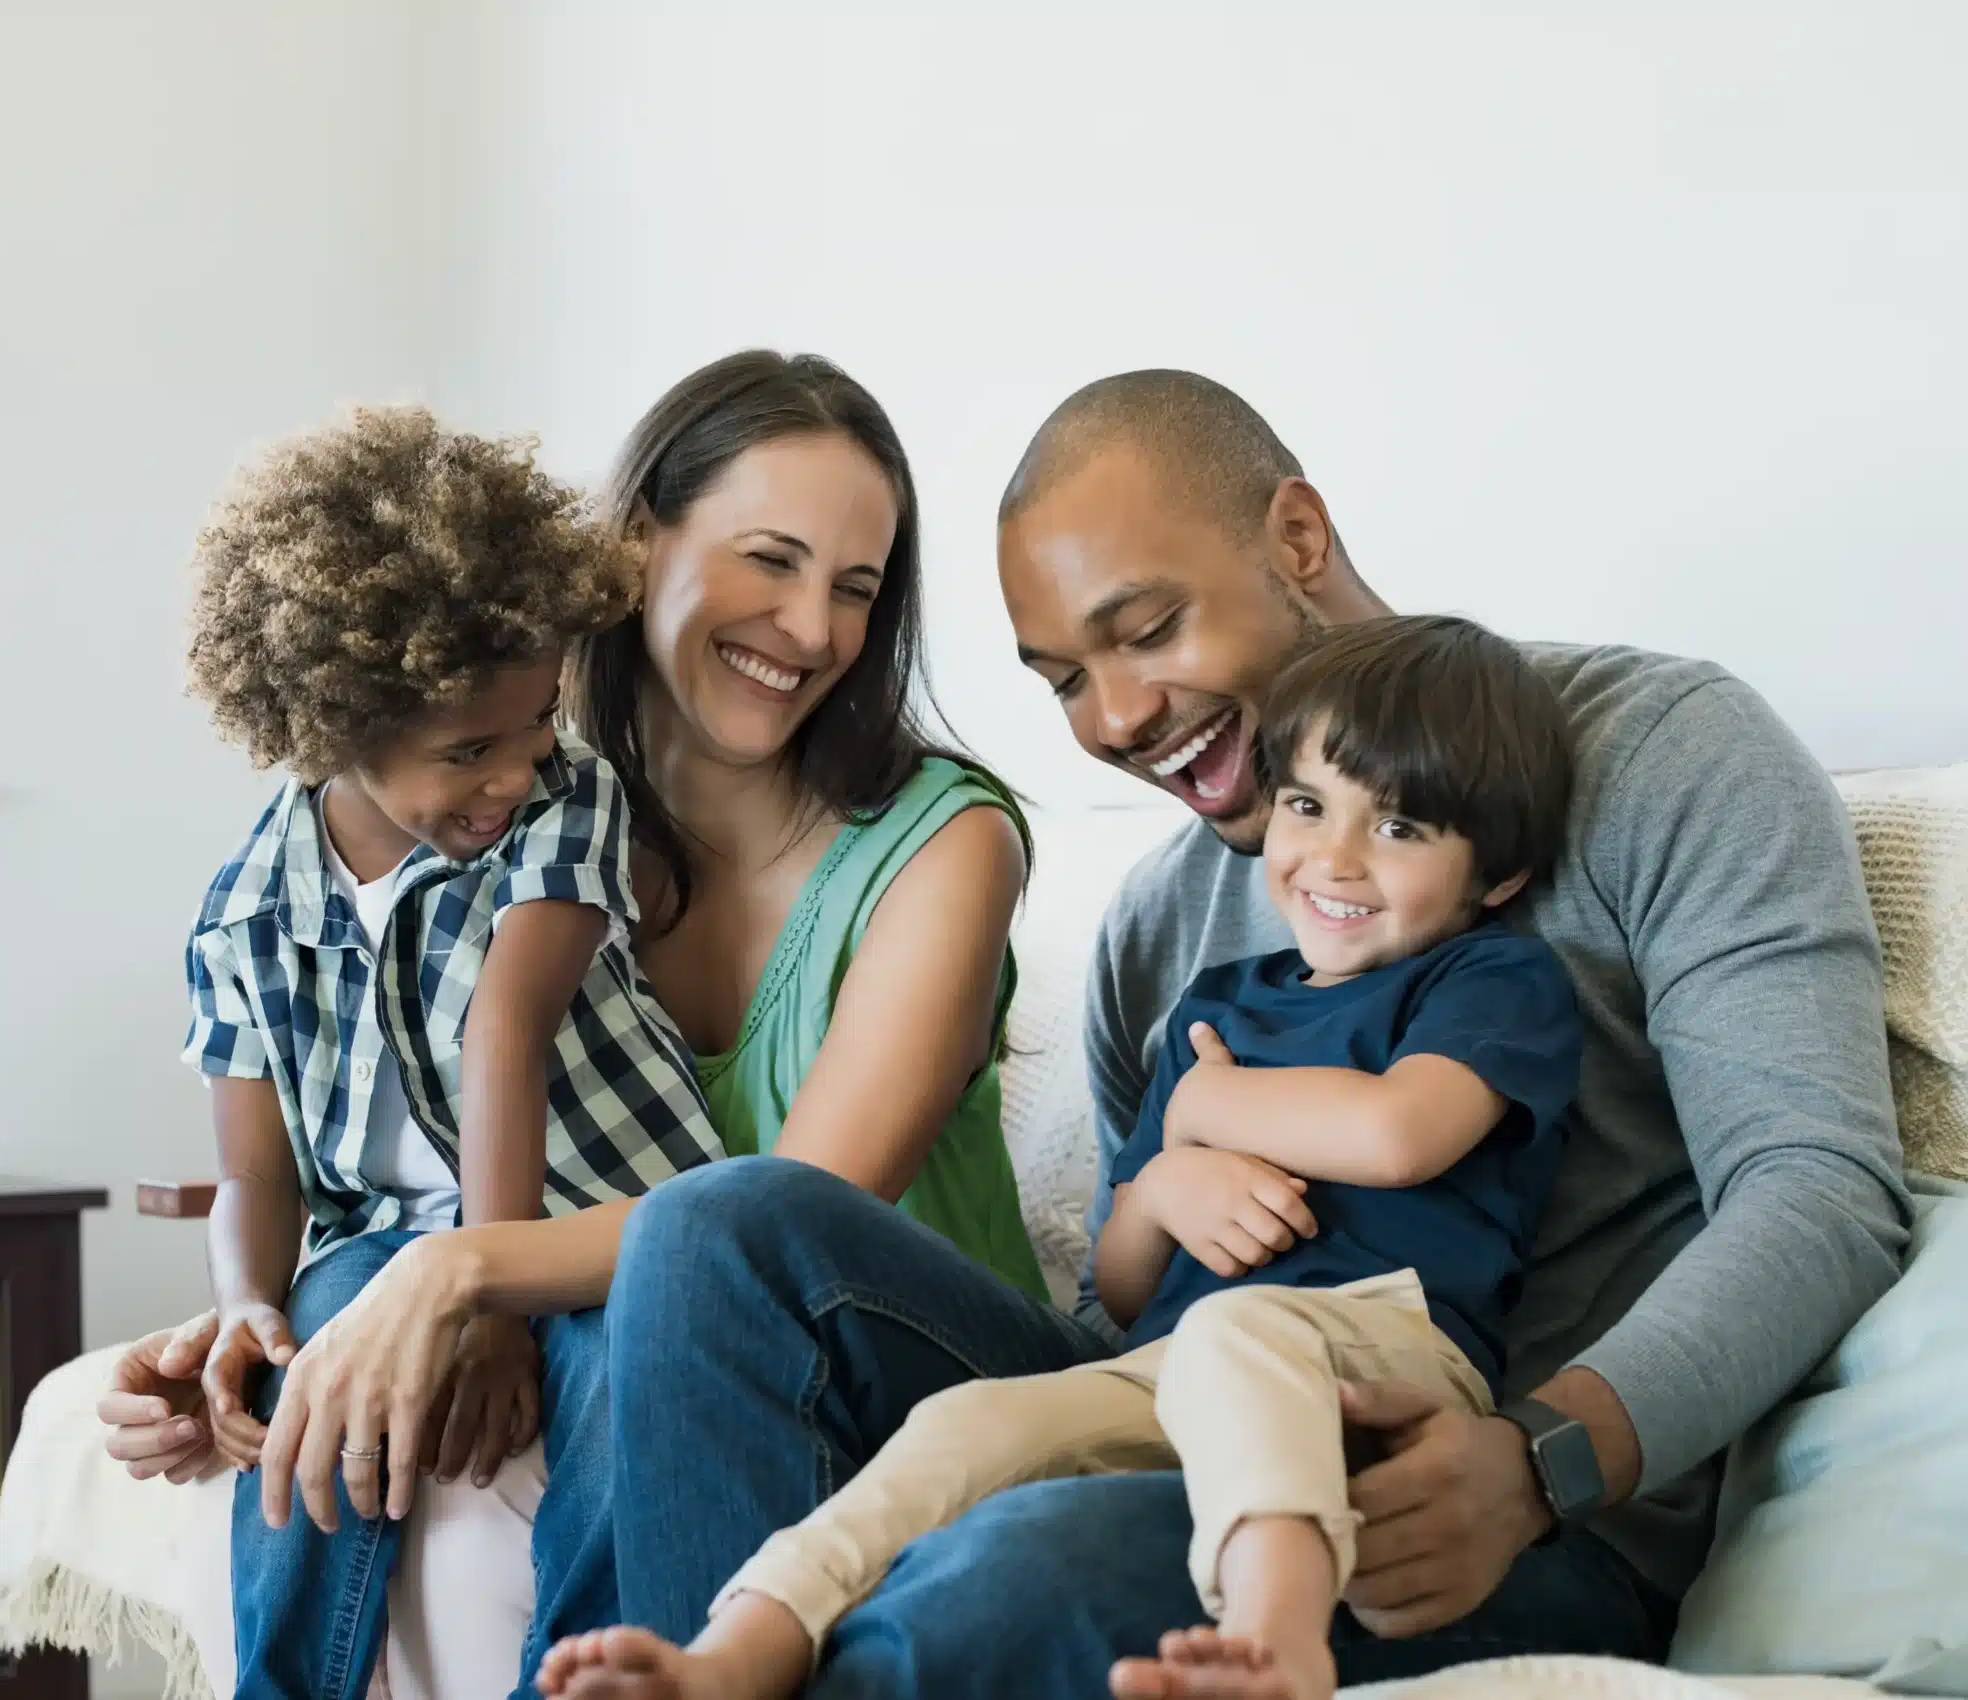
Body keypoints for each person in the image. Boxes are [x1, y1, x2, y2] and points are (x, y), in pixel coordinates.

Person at [591, 369, 1912, 1696]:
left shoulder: (1663, 756)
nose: (1115, 721)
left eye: (1148, 628)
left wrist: (1542, 1459)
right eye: (1064, 681)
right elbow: (1133, 1301)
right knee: (714, 1230)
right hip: (1196, 1413)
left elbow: (1820, 1191)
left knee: (1005, 1574)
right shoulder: (1160, 926)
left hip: (1494, 1509)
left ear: (1295, 540)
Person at [95, 351, 1061, 1697]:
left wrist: (462, 1272)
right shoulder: (512, 813)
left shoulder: (941, 844)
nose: (812, 628)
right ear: (636, 543)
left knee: (680, 1269)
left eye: (856, 587)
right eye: (770, 560)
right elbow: (378, 1129)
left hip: (903, 1360)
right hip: (647, 1319)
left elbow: (793, 1217)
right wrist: (260, 1326)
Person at [538, 614, 1583, 1700]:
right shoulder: (1219, 1004)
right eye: (1309, 804)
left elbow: (1399, 1133)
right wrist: (1168, 1177)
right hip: (1168, 1368)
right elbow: (1124, 1285)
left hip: (1386, 1355)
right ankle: (737, 1649)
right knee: (969, 1422)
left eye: (1400, 828)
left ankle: (1278, 1641)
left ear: (1497, 875)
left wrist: (1209, 1106)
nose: (1333, 857)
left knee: (1242, 1327)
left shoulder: (1487, 980)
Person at [171, 404, 728, 1698]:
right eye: (468, 750)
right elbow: (257, 1174)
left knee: (616, 1390)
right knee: (321, 1364)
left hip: (602, 1215)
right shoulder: (247, 911)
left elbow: (506, 1035)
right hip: (382, 1240)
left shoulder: (563, 798)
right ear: (330, 728)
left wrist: (488, 1298)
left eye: (535, 722)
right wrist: (251, 1304)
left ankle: (586, 1680)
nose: (513, 770)